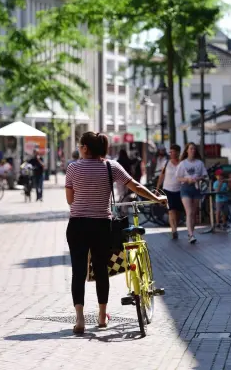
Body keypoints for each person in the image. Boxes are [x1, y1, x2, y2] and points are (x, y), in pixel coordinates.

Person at [65, 132, 166, 334]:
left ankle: (80, 320)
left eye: (79, 145)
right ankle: (102, 317)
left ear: (85, 148)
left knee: (79, 272)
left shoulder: (73, 168)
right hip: (102, 225)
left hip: (77, 225)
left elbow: (70, 199)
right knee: (101, 270)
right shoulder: (111, 166)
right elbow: (135, 186)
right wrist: (156, 198)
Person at [176, 143, 207, 244]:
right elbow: (178, 177)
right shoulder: (182, 164)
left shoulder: (199, 163)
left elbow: (204, 175)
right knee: (189, 212)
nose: (193, 150)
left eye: (194, 149)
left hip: (197, 188)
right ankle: (190, 234)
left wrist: (198, 178)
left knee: (194, 213)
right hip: (186, 188)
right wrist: (187, 179)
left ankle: (191, 233)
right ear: (187, 151)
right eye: (191, 149)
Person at [156, 144, 182, 239]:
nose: (172, 154)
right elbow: (161, 176)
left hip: (179, 189)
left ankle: (175, 226)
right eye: (170, 152)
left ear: (178, 153)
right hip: (168, 189)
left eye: (174, 152)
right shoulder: (166, 163)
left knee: (178, 211)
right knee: (171, 211)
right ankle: (174, 230)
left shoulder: (182, 163)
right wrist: (158, 189)